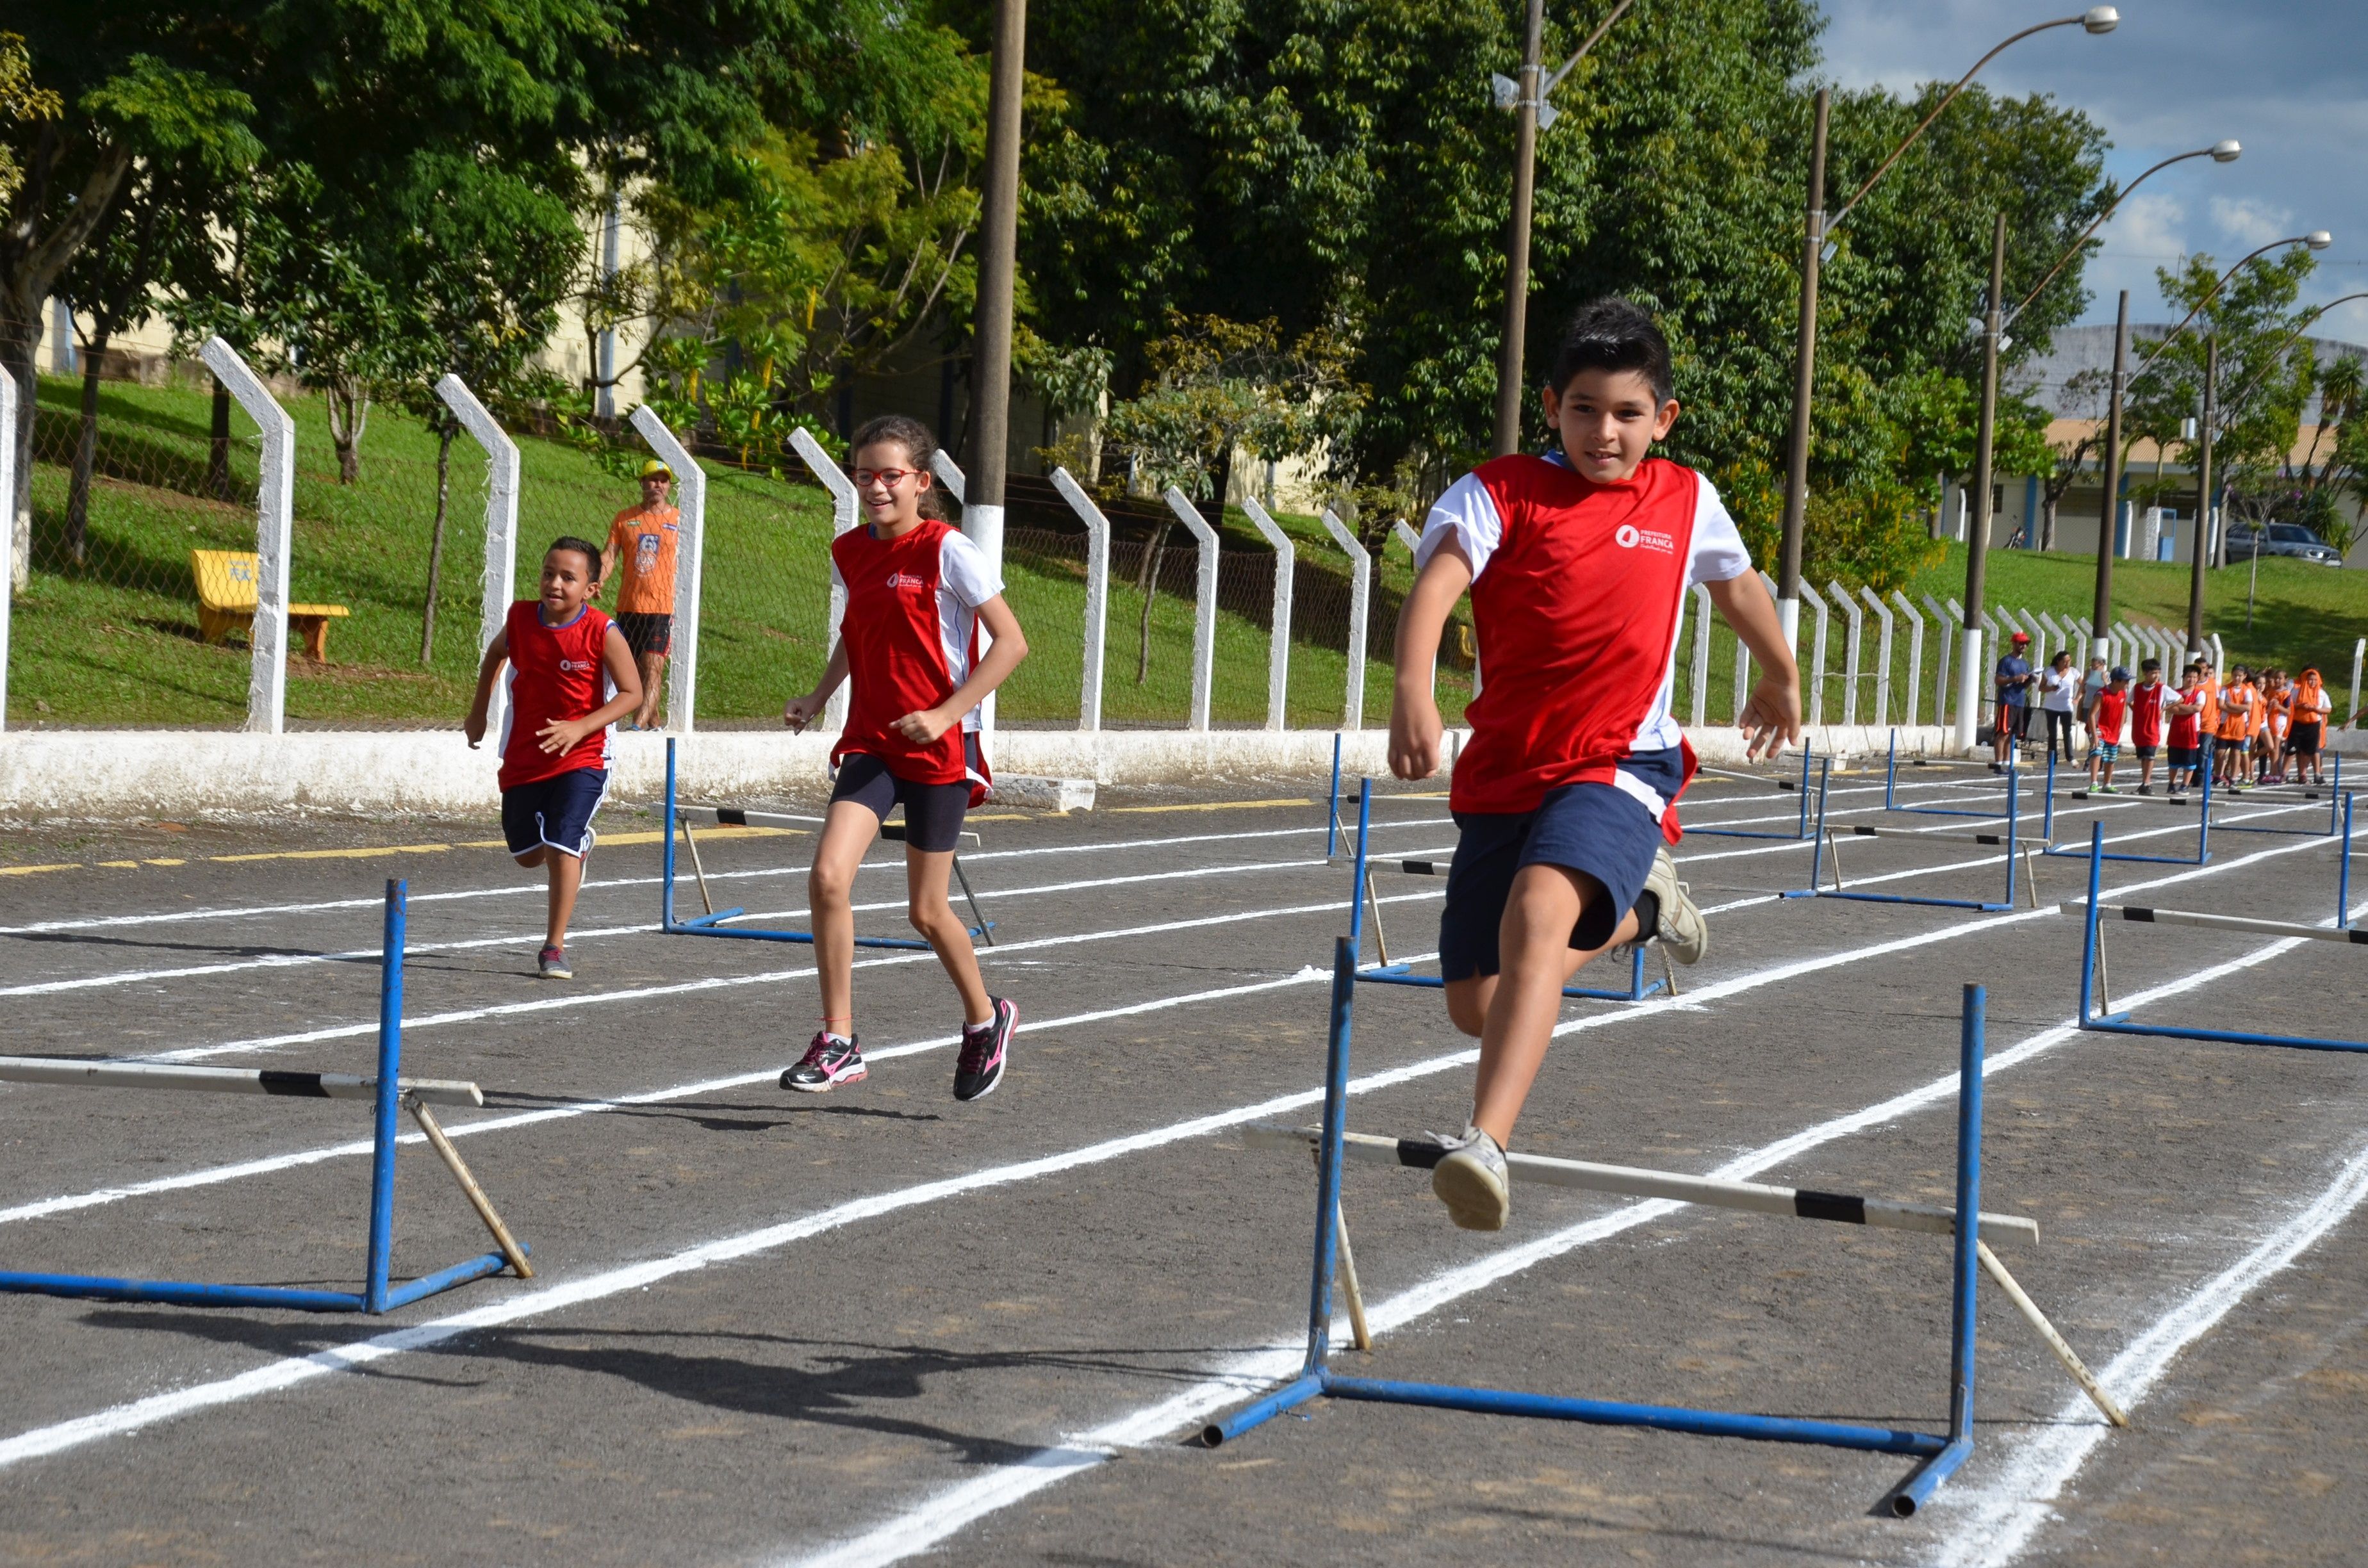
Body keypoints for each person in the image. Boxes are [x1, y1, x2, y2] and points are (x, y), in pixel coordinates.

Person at [1386, 297, 1799, 1233]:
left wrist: (1781, 673)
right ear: (1551, 405)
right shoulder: (1497, 492)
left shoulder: (1685, 500)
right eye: (1582, 409)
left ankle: (1485, 1143)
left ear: (1664, 418)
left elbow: (1737, 584)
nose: (1602, 432)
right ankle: (1647, 908)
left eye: (1624, 414)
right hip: (1506, 770)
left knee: (1538, 919)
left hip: (1621, 758)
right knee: (1476, 1002)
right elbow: (1440, 580)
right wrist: (1413, 688)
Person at [778, 414, 1028, 1103]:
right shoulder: (850, 551)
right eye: (865, 475)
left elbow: (1011, 644)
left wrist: (947, 713)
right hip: (871, 740)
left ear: (922, 482)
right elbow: (856, 633)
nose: (877, 487)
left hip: (939, 745)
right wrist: (819, 694)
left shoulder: (949, 551)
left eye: (891, 475)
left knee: (927, 911)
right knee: (829, 876)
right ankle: (839, 1040)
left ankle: (985, 1020)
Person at [465, 537, 643, 979]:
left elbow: (632, 694)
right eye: (549, 573)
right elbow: (494, 655)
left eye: (568, 577)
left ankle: (554, 947)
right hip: (527, 752)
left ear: (591, 588)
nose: (555, 583)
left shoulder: (604, 631)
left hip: (584, 753)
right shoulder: (521, 618)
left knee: (563, 839)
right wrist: (477, 712)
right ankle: (570, 849)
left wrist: (582, 727)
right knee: (527, 853)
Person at [602, 459, 680, 731]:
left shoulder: (680, 520)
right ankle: (654, 725)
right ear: (642, 483)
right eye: (652, 479)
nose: (658, 484)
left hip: (662, 608)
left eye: (663, 479)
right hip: (629, 606)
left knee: (653, 667)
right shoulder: (625, 519)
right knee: (635, 672)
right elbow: (609, 556)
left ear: (669, 486)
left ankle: (635, 729)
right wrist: (597, 581)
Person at [1992, 630, 2034, 771]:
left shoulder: (2024, 663)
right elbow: (1998, 680)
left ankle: (2007, 763)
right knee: (2003, 733)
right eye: (2021, 643)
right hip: (2007, 701)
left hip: (2019, 702)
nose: (2024, 646)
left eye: (2026, 644)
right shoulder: (2006, 661)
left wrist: (2030, 680)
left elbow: (2023, 685)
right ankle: (1998, 763)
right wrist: (2015, 678)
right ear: (2014, 644)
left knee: (2012, 735)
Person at [2087, 666, 2130, 792]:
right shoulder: (2102, 694)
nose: (2127, 684)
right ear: (2116, 681)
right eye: (2125, 681)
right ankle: (2094, 782)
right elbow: (2092, 714)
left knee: (2111, 757)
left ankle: (2107, 784)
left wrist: (2120, 729)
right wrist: (2094, 735)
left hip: (2114, 731)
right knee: (2097, 752)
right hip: (2099, 728)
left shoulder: (2123, 693)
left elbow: (2123, 712)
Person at [2214, 664, 2257, 790]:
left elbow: (2248, 707)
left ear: (2244, 677)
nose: (2237, 678)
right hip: (2225, 724)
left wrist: (2231, 705)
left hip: (2239, 726)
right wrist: (2238, 708)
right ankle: (2218, 776)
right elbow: (2221, 705)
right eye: (2235, 675)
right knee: (2220, 752)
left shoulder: (2247, 690)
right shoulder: (2225, 689)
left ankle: (2233, 778)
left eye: (2240, 676)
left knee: (2236, 752)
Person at [2166, 662, 2205, 796]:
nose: (2191, 679)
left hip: (2191, 731)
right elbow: (2171, 709)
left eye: (2194, 677)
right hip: (2176, 730)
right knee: (2173, 761)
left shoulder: (2200, 693)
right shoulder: (2175, 693)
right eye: (2189, 676)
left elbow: (2197, 708)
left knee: (2189, 761)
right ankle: (2172, 784)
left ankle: (2184, 786)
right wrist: (2188, 708)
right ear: (2184, 677)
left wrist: (2181, 707)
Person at [2288, 666, 2333, 785]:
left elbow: (2328, 709)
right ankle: (2301, 774)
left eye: (2314, 680)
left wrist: (2315, 709)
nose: (2312, 682)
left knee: (2308, 751)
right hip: (2298, 723)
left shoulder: (2321, 693)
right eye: (2310, 680)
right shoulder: (2297, 691)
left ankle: (2304, 774)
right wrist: (2301, 706)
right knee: (2296, 750)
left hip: (2313, 724)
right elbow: (2290, 705)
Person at [2129, 658, 2166, 794]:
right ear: (2145, 673)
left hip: (2153, 729)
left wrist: (2163, 709)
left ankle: (2147, 783)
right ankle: (2144, 782)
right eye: (2153, 673)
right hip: (2140, 729)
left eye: (2158, 673)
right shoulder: (2138, 688)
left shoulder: (2161, 688)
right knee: (2143, 757)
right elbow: (2129, 701)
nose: (2157, 676)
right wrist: (2139, 712)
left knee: (2150, 756)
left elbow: (2179, 699)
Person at [2037, 651, 2077, 764]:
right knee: (2052, 732)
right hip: (2051, 706)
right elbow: (2041, 687)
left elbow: (2083, 684)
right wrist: (2051, 689)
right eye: (2065, 662)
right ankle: (2052, 758)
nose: (2067, 664)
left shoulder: (2073, 672)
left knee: (2067, 731)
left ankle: (2071, 757)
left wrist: (2078, 698)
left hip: (2066, 706)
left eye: (2069, 661)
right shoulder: (2050, 672)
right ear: (2059, 662)